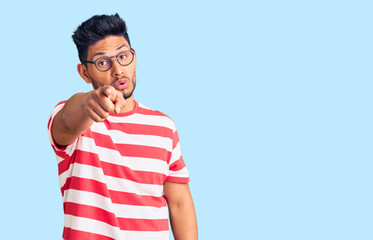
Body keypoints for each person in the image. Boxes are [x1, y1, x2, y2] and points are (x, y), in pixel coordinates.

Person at [47, 13, 198, 240]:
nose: (118, 70)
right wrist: (90, 102)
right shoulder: (75, 121)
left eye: (123, 56)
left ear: (134, 57)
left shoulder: (164, 126)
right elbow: (68, 119)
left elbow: (179, 204)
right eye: (102, 62)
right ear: (84, 73)